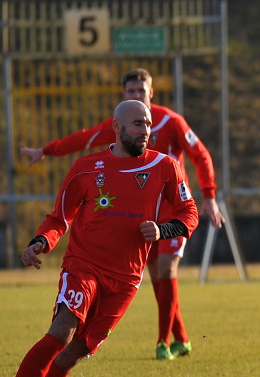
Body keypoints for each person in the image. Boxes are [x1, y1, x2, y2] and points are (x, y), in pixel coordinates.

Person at [0, 100, 199, 377]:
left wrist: (164, 230)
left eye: (148, 124)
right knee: (62, 332)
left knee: (74, 354)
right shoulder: (86, 168)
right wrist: (40, 241)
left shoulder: (165, 166)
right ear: (117, 127)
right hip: (83, 266)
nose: (145, 130)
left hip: (126, 280)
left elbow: (189, 211)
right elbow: (59, 218)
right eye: (137, 124)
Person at [20, 68, 222, 361]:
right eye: (131, 92)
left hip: (171, 215)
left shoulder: (171, 121)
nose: (137, 95)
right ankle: (180, 336)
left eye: (142, 91)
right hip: (139, 218)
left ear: (151, 93)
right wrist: (48, 151)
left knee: (167, 270)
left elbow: (200, 155)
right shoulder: (123, 123)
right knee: (157, 276)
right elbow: (85, 138)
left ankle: (163, 341)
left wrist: (210, 196)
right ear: (124, 96)